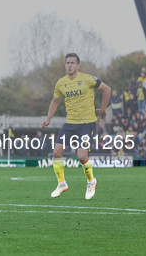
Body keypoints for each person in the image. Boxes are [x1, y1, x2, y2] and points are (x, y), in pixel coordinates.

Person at [42, 53, 111, 200]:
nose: (69, 65)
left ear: (78, 65)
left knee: (81, 156)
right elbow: (55, 102)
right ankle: (62, 184)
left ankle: (91, 181)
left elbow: (107, 89)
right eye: (67, 63)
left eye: (72, 63)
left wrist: (103, 109)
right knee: (56, 152)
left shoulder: (87, 79)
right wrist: (48, 119)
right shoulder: (61, 83)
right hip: (70, 124)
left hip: (87, 124)